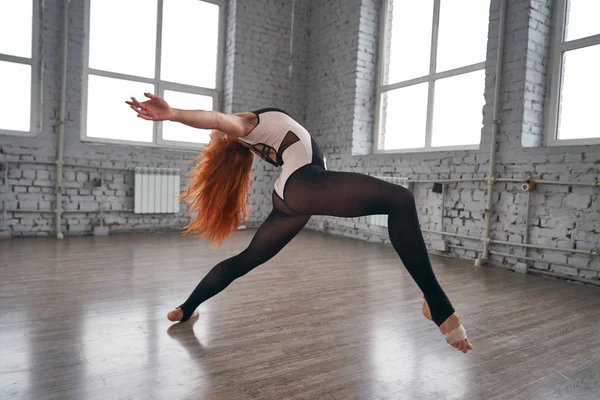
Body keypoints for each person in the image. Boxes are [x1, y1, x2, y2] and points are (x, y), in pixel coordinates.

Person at [126, 93, 473, 353]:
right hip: (302, 185)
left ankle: (185, 308)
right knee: (400, 199)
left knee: (245, 259)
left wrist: (180, 116)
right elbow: (216, 117)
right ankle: (438, 305)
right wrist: (172, 114)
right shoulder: (244, 125)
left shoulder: (249, 134)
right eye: (215, 133)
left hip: (290, 196)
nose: (214, 133)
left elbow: (218, 120)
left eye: (213, 135)